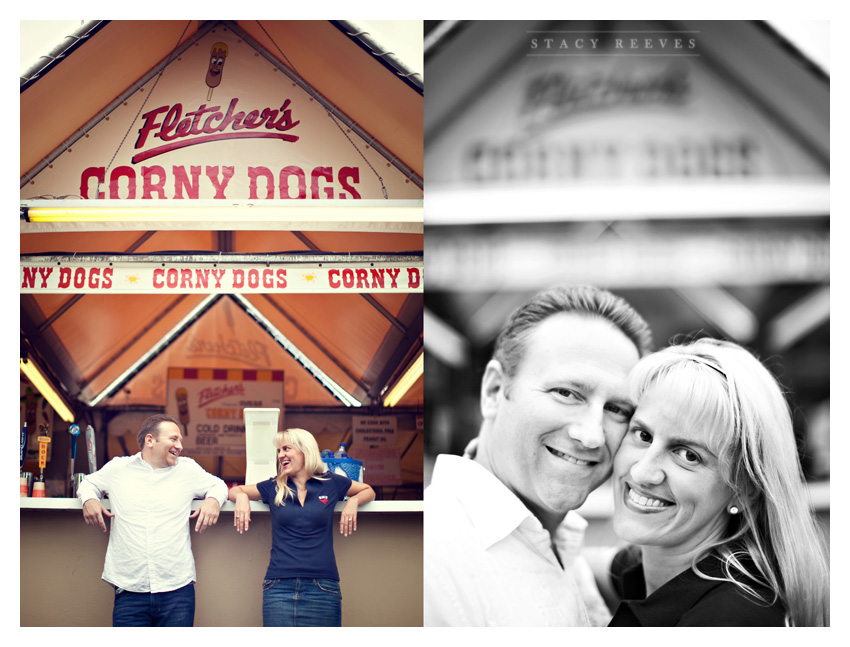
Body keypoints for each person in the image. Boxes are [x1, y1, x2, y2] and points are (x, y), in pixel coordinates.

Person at [424, 285, 653, 626]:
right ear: (493, 391)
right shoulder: (427, 566)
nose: (591, 435)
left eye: (617, 409)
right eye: (567, 393)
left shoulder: (560, 542)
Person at [590, 338, 829, 626]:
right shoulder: (664, 567)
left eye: (688, 455)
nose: (642, 472)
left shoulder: (728, 618)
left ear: (745, 491)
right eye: (643, 435)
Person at [78, 413, 227, 627]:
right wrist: (90, 499)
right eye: (174, 439)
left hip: (177, 589)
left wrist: (213, 500)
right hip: (129, 589)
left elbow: (219, 485)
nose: (180, 446)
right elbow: (87, 484)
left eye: (180, 441)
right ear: (150, 440)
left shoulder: (188, 469)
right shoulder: (118, 468)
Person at [229, 427, 376, 627]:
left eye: (286, 449)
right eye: (279, 451)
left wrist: (352, 502)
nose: (281, 455)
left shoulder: (330, 483)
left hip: (323, 587)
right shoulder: (274, 487)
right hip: (278, 588)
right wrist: (242, 497)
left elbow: (368, 490)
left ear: (304, 450)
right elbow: (234, 490)